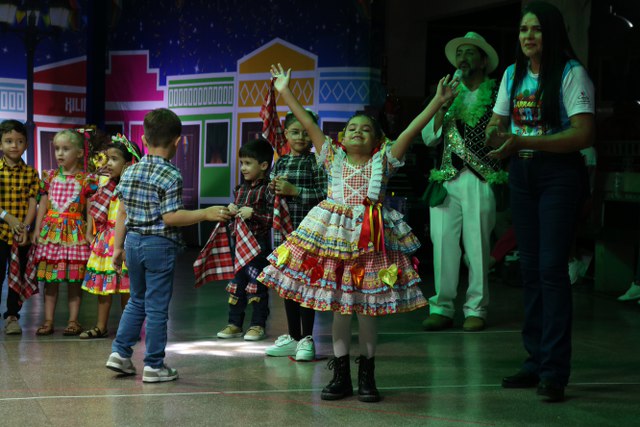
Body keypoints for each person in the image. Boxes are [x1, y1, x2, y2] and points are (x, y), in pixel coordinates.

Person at [259, 63, 457, 402]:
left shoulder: (384, 160)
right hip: (335, 239)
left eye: (366, 129)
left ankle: (367, 375)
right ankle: (340, 375)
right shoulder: (331, 157)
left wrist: (437, 103)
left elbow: (410, 131)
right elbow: (308, 123)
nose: (357, 132)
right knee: (341, 310)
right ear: (342, 136)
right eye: (352, 128)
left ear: (377, 140)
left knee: (366, 311)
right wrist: (285, 91)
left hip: (372, 241)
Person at [485, 1, 595, 402]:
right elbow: (497, 122)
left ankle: (554, 371)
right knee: (529, 270)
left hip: (558, 175)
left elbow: (583, 134)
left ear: (552, 33)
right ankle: (534, 361)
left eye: (536, 29)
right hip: (522, 173)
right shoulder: (512, 74)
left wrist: (523, 141)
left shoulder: (570, 73)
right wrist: (496, 136)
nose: (528, 36)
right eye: (523, 30)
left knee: (550, 270)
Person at [105, 108, 231, 382]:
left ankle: (120, 353)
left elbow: (122, 212)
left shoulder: (129, 171)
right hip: (159, 245)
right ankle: (154, 365)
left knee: (136, 300)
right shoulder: (171, 174)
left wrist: (117, 248)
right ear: (177, 141)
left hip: (133, 243)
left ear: (143, 139)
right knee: (157, 307)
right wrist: (205, 213)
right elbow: (171, 217)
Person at [421, 31, 504, 332]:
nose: (463, 59)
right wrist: (442, 104)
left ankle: (476, 308)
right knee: (442, 243)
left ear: (483, 61)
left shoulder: (498, 94)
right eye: (460, 54)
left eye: (470, 53)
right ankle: (442, 307)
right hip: (447, 178)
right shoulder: (446, 92)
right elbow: (428, 138)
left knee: (478, 246)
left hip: (481, 179)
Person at [264, 110, 328, 361]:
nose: (301, 137)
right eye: (295, 132)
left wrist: (295, 190)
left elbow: (325, 195)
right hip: (284, 235)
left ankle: (307, 338)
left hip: (309, 234)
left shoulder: (316, 162)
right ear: (286, 134)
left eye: (306, 132)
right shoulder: (280, 162)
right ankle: (293, 337)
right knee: (288, 285)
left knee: (306, 285)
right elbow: (269, 196)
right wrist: (272, 189)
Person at [29, 129, 98, 336]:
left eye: (66, 149)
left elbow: (91, 209)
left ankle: (73, 320)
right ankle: (48, 320)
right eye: (57, 148)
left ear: (79, 153)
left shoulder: (86, 179)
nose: (60, 153)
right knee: (50, 280)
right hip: (51, 234)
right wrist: (37, 228)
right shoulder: (49, 177)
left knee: (74, 280)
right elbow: (43, 204)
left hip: (74, 234)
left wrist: (89, 232)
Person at [80, 135, 142, 339]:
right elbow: (93, 203)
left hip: (126, 239)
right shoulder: (105, 184)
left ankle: (129, 329)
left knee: (126, 287)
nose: (109, 163)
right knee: (104, 286)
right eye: (108, 158)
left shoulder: (134, 186)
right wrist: (90, 232)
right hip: (107, 240)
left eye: (114, 159)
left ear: (129, 163)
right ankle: (101, 326)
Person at [216, 138, 274, 342]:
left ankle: (257, 325)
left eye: (248, 163)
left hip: (259, 247)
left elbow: (273, 218)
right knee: (237, 284)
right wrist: (231, 210)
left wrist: (254, 214)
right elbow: (235, 218)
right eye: (242, 163)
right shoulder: (240, 189)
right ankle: (234, 324)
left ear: (264, 165)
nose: (243, 168)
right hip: (239, 246)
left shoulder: (268, 189)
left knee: (257, 285)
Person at [0, 120, 39, 335]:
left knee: (17, 274)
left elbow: (33, 202)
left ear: (26, 145)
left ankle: (12, 315)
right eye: (8, 141)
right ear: (0, 144)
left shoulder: (31, 173)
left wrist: (24, 227)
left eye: (19, 141)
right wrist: (8, 218)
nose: (14, 145)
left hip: (20, 234)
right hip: (1, 232)